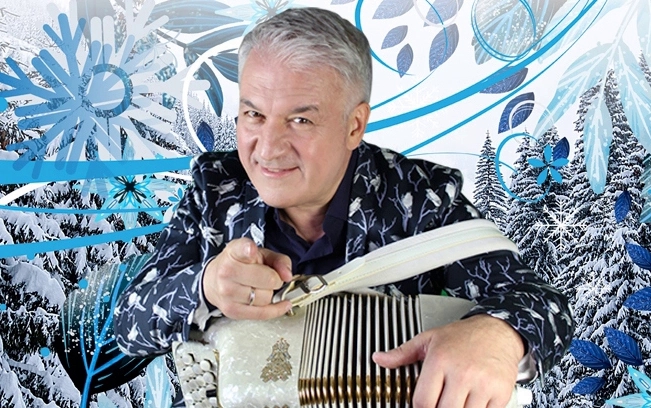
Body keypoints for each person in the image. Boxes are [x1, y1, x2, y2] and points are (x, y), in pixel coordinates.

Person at [114, 7, 573, 407]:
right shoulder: (215, 188)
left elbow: (543, 303)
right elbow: (127, 326)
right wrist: (205, 286)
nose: (267, 148)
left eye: (300, 119)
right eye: (254, 114)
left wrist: (497, 335)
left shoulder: (423, 198)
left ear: (354, 126)